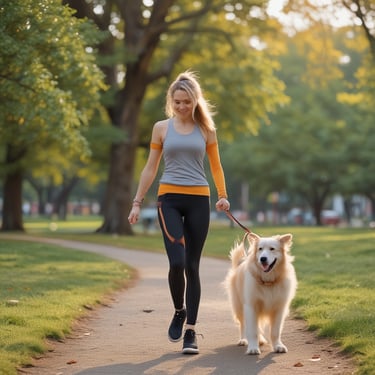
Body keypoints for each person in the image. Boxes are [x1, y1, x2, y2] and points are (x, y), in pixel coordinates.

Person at [128, 71, 230, 355]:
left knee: (192, 267)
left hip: (198, 199)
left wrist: (223, 196)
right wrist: (137, 201)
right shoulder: (161, 128)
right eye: (177, 102)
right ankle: (178, 310)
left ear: (195, 101)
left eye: (187, 101)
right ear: (170, 101)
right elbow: (150, 167)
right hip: (168, 199)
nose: (182, 106)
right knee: (176, 263)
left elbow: (216, 166)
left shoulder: (207, 130)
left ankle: (191, 332)